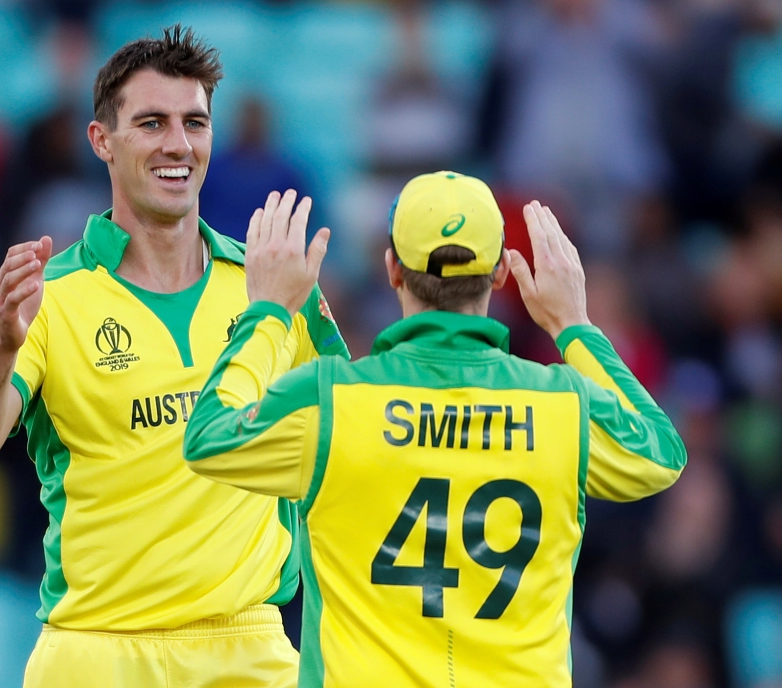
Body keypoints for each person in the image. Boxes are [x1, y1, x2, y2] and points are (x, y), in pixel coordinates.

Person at [0, 26, 348, 688]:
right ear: (103, 141)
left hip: (247, 648)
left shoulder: (271, 285)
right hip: (96, 651)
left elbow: (353, 443)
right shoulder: (48, 299)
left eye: (195, 123)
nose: (178, 145)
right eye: (152, 123)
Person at [183, 171, 687, 687]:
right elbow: (660, 452)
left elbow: (209, 437)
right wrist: (573, 325)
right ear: (498, 276)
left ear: (393, 270)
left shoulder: (332, 399)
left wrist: (269, 312)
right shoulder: (561, 404)